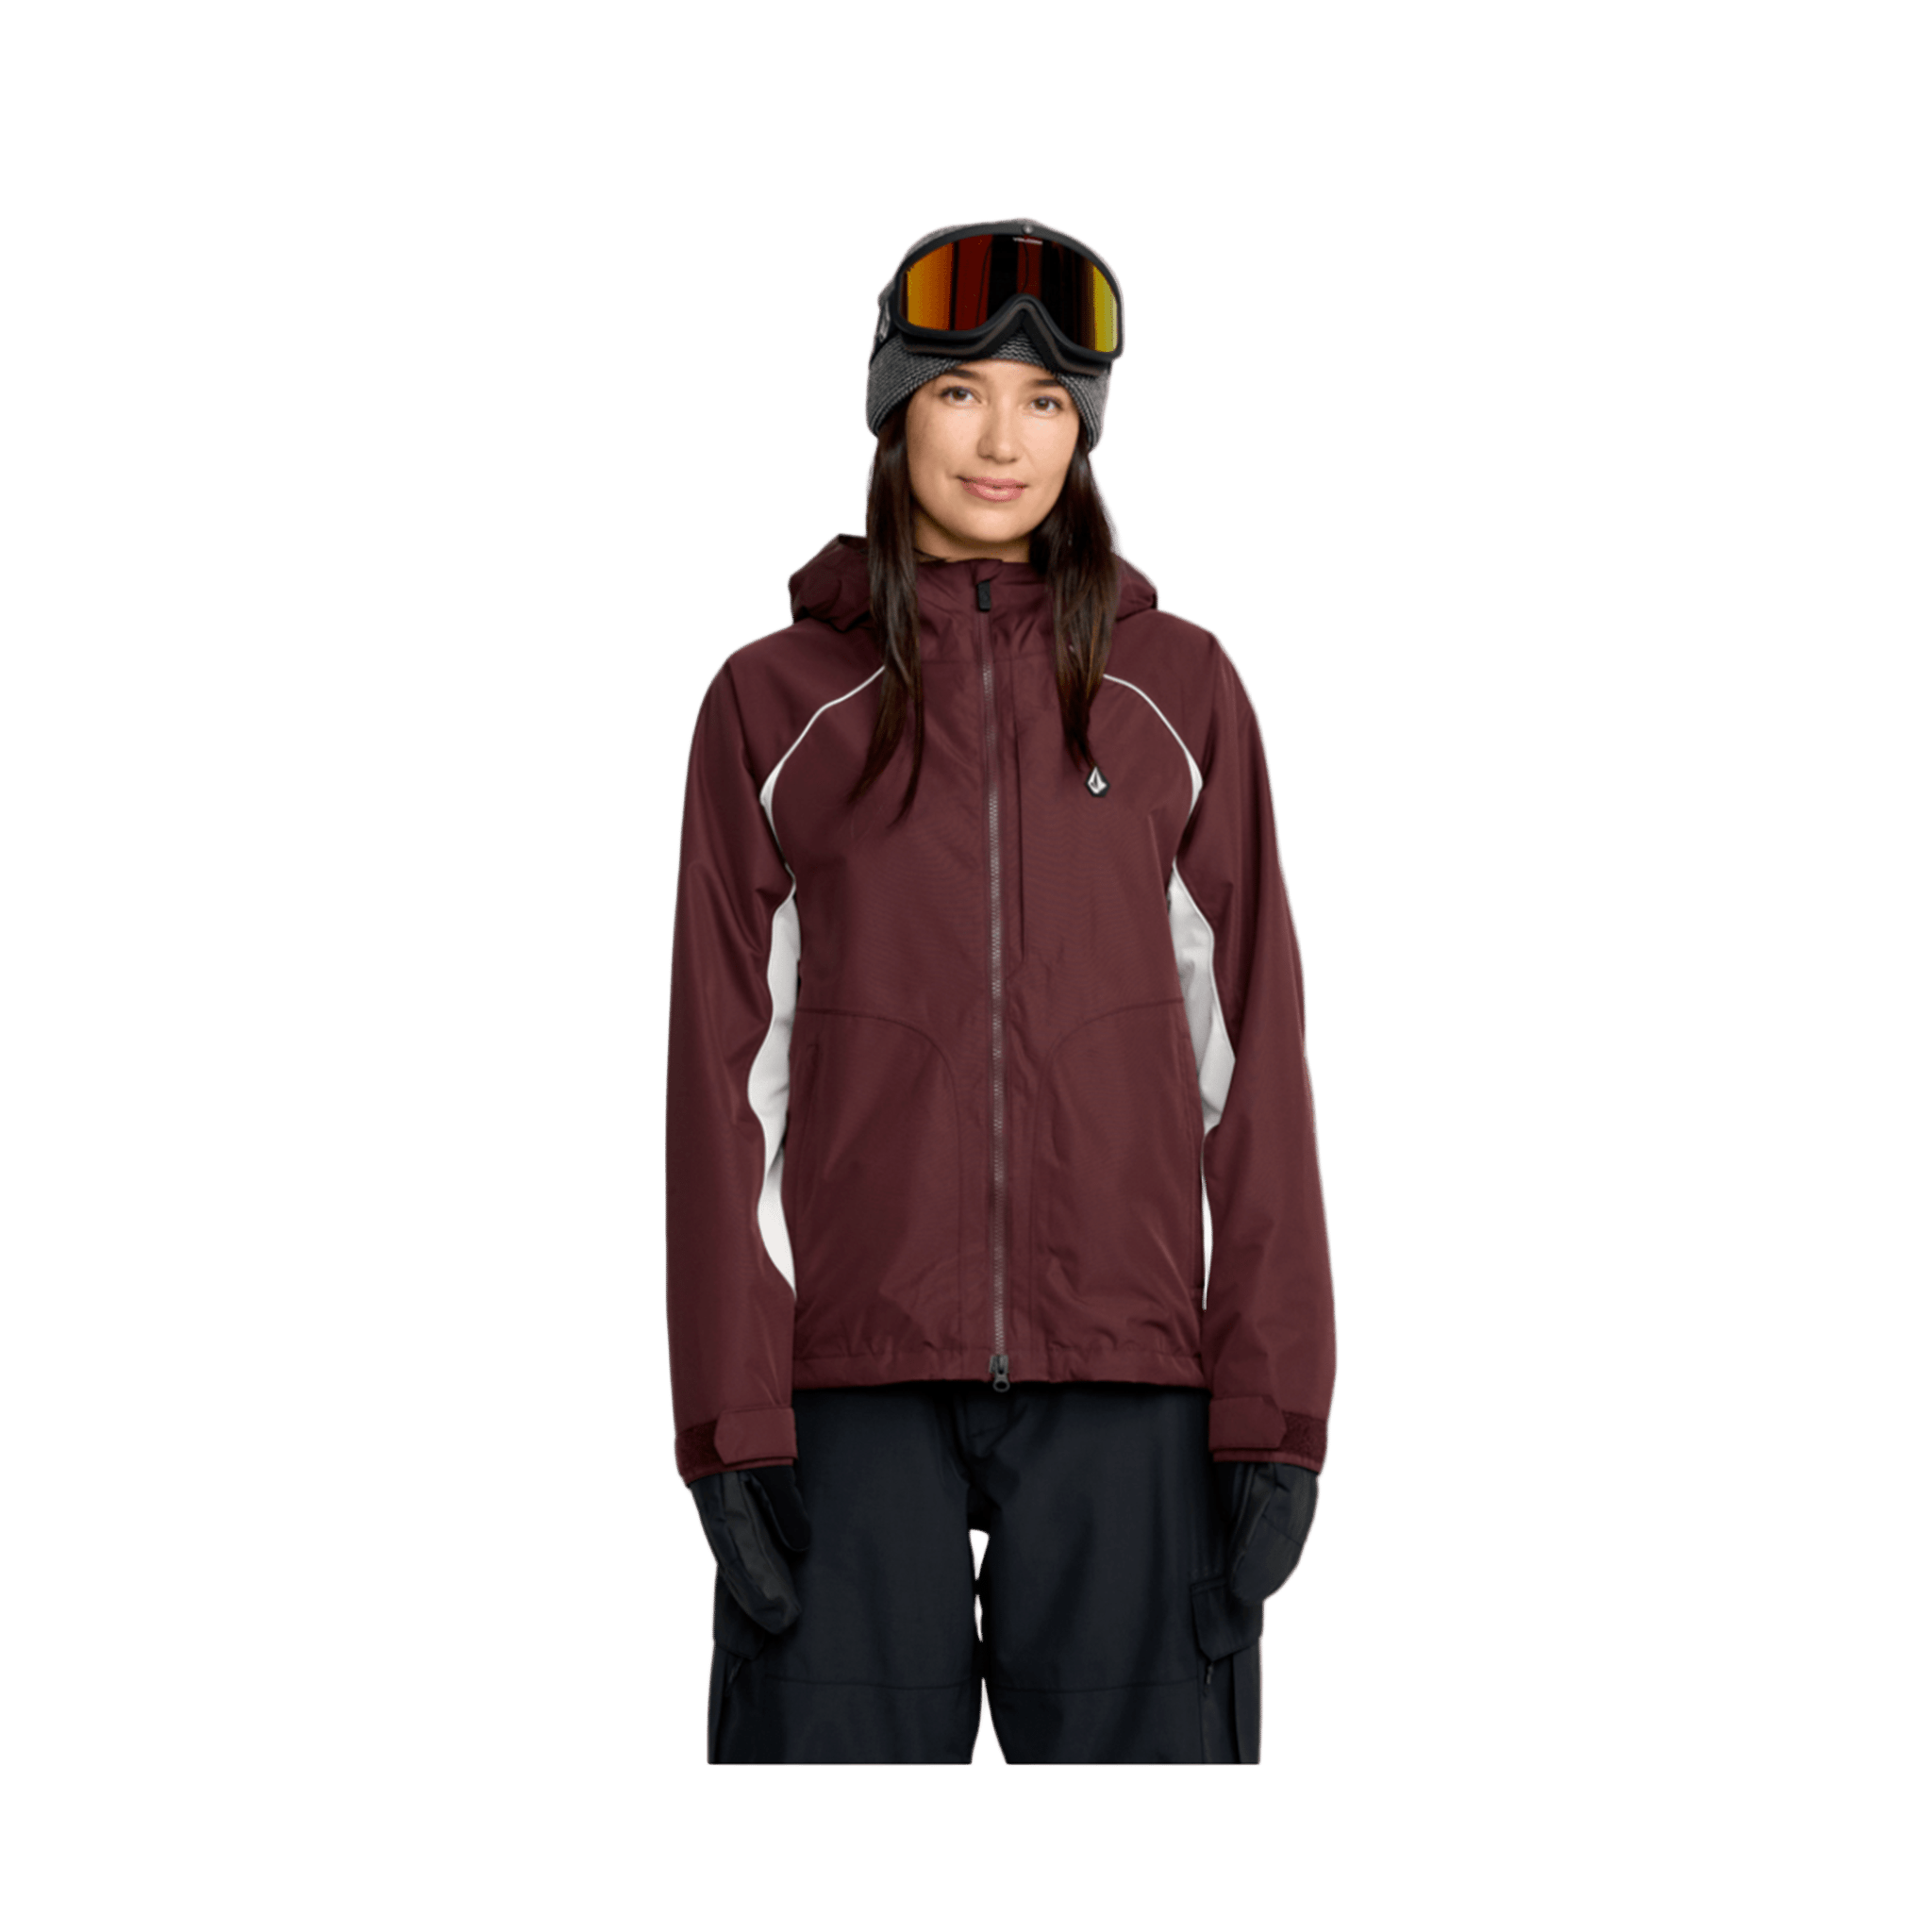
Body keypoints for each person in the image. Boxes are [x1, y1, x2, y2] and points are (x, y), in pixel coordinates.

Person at [663, 217, 1339, 1764]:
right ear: (893, 410)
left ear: (1084, 434)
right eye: (961, 391)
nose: (1002, 440)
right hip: (845, 1392)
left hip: (1133, 1386)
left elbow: (1254, 1067)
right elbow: (723, 1079)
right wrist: (727, 1418)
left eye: (1046, 402)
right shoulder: (772, 704)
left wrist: (1277, 1406)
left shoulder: (1182, 694)